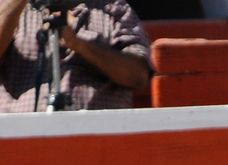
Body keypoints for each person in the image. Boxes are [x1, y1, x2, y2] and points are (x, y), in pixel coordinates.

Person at [0, 1, 152, 112]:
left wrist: (79, 44)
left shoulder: (116, 10)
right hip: (22, 140)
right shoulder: (11, 10)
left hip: (99, 141)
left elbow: (137, 76)